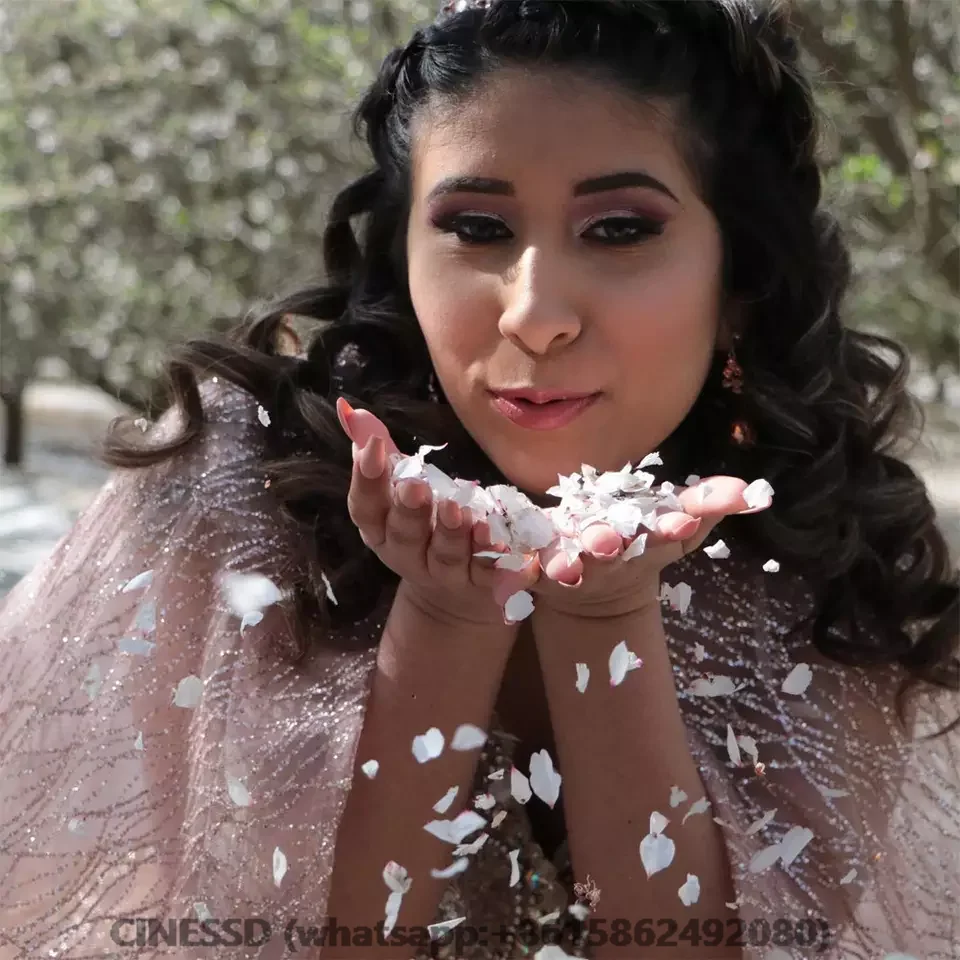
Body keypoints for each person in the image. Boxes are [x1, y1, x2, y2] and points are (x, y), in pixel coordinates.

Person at [0, 1, 957, 958]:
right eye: (477, 227)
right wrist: (448, 614)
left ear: (738, 283)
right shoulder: (243, 489)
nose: (535, 314)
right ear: (404, 257)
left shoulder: (826, 548)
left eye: (619, 229)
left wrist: (602, 617)